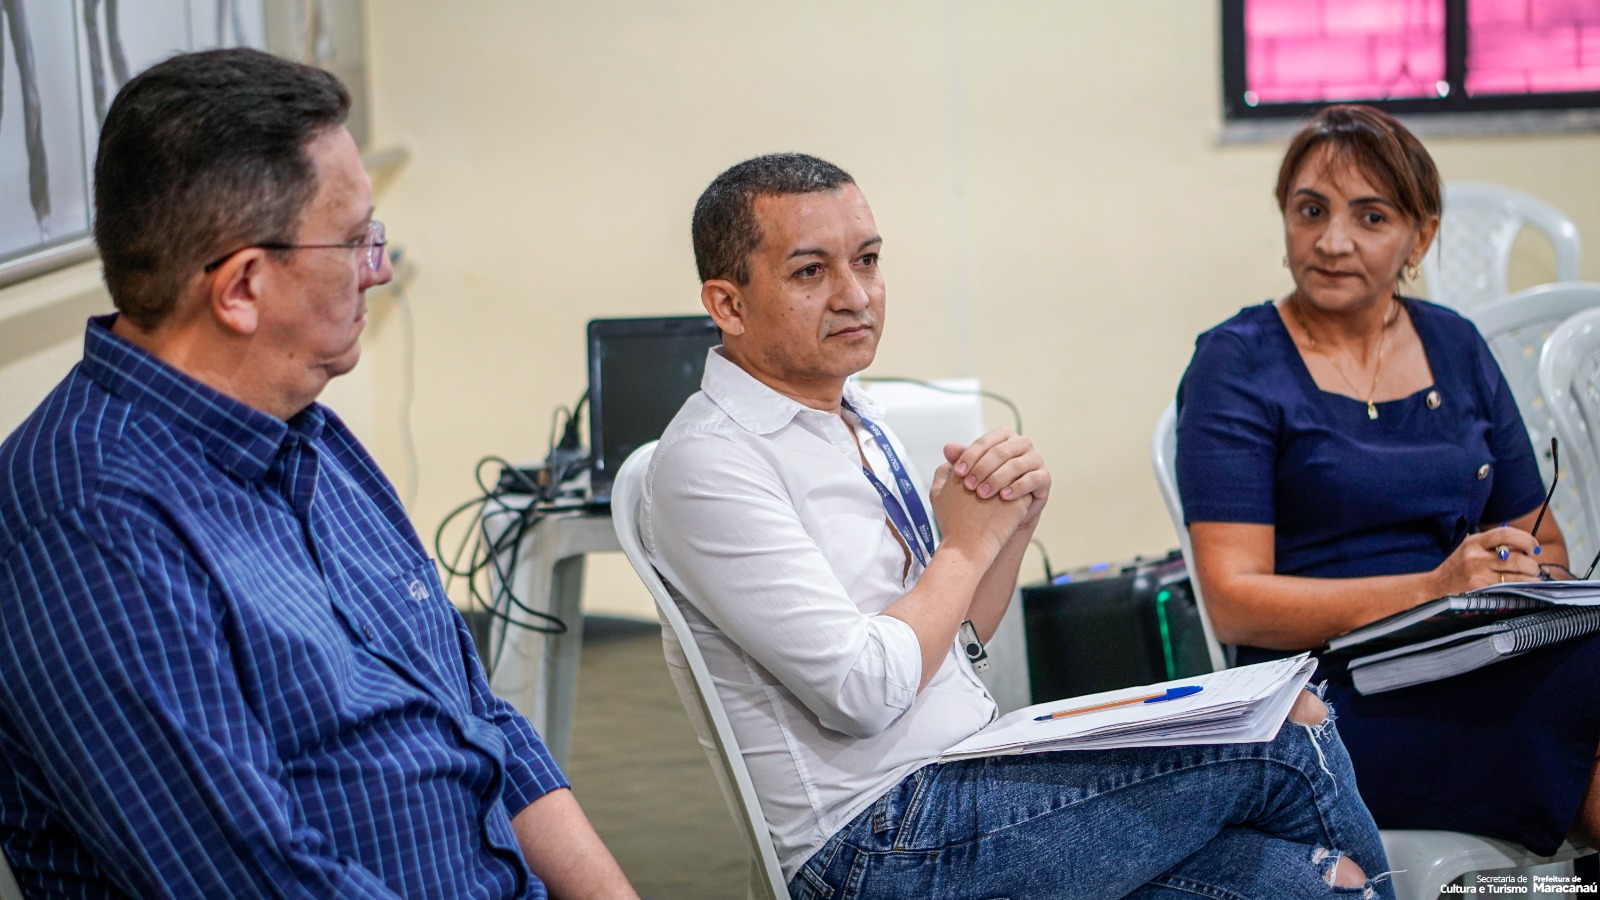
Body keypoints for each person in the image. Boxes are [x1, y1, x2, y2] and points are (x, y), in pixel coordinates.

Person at [642, 152, 1393, 899]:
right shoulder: (709, 461)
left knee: (1326, 887)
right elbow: (865, 691)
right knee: (1289, 731)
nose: (855, 295)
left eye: (866, 260)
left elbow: (958, 642)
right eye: (811, 271)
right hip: (876, 844)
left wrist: (1008, 529)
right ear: (728, 304)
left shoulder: (853, 412)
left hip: (966, 775)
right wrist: (968, 544)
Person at [0, 49, 636, 899]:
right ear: (242, 288)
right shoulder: (90, 523)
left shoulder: (309, 433)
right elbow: (258, 880)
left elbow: (480, 721)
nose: (380, 266)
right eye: (355, 240)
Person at [1176, 103, 1600, 856]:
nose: (1332, 241)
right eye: (1311, 211)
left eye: (1370, 218)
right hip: (1325, 695)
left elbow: (1546, 541)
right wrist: (1432, 590)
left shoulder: (1456, 344)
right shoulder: (1236, 362)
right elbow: (1234, 602)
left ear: (1420, 237)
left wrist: (1515, 583)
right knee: (1571, 710)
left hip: (1474, 654)